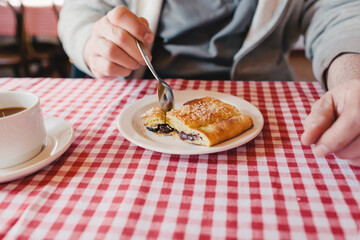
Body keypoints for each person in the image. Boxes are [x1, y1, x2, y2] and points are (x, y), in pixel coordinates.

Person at [58, 0, 360, 165]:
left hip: (267, 115)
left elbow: (341, 14)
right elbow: (81, 8)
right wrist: (92, 41)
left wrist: (353, 79)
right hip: (141, 94)